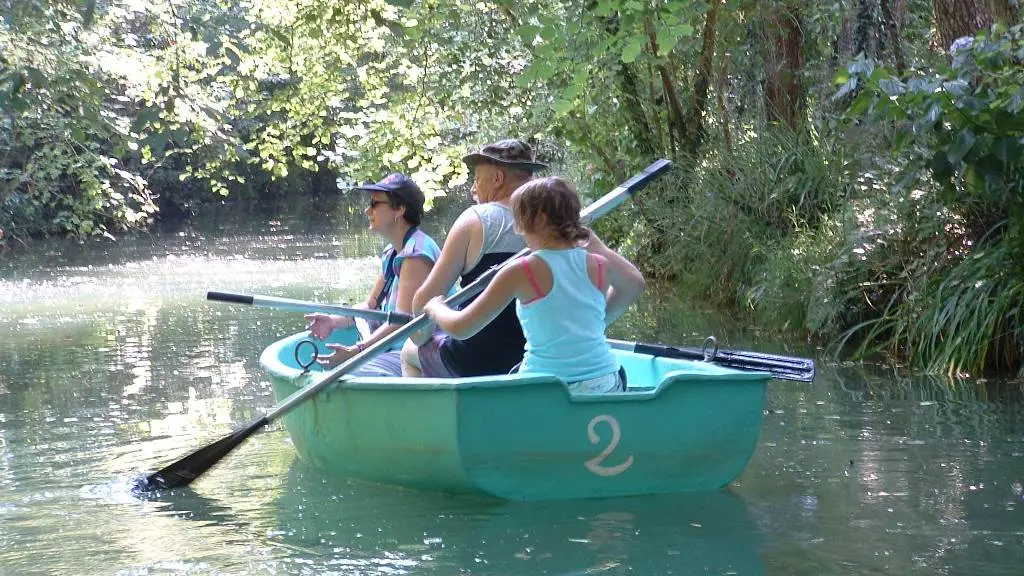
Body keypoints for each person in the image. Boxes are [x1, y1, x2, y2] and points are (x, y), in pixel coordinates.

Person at [421, 176, 646, 393]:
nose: (517, 228)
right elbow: (633, 286)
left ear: (538, 220)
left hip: (544, 387)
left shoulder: (521, 271)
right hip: (604, 381)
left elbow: (462, 328)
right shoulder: (599, 264)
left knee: (513, 380)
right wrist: (599, 322)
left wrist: (436, 308)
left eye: (518, 220)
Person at [400, 139, 544, 378]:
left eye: (477, 178)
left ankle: (425, 415)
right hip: (534, 357)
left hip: (477, 359)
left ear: (497, 178)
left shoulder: (475, 219)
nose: (472, 188)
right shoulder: (553, 224)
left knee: (409, 351)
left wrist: (424, 334)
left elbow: (425, 301)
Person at [305, 173, 442, 376]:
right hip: (395, 350)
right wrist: (333, 321)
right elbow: (370, 306)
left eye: (375, 203)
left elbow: (401, 323)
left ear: (399, 210)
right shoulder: (393, 251)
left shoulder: (417, 254)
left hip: (419, 354)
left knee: (346, 376)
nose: (368, 210)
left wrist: (358, 350)